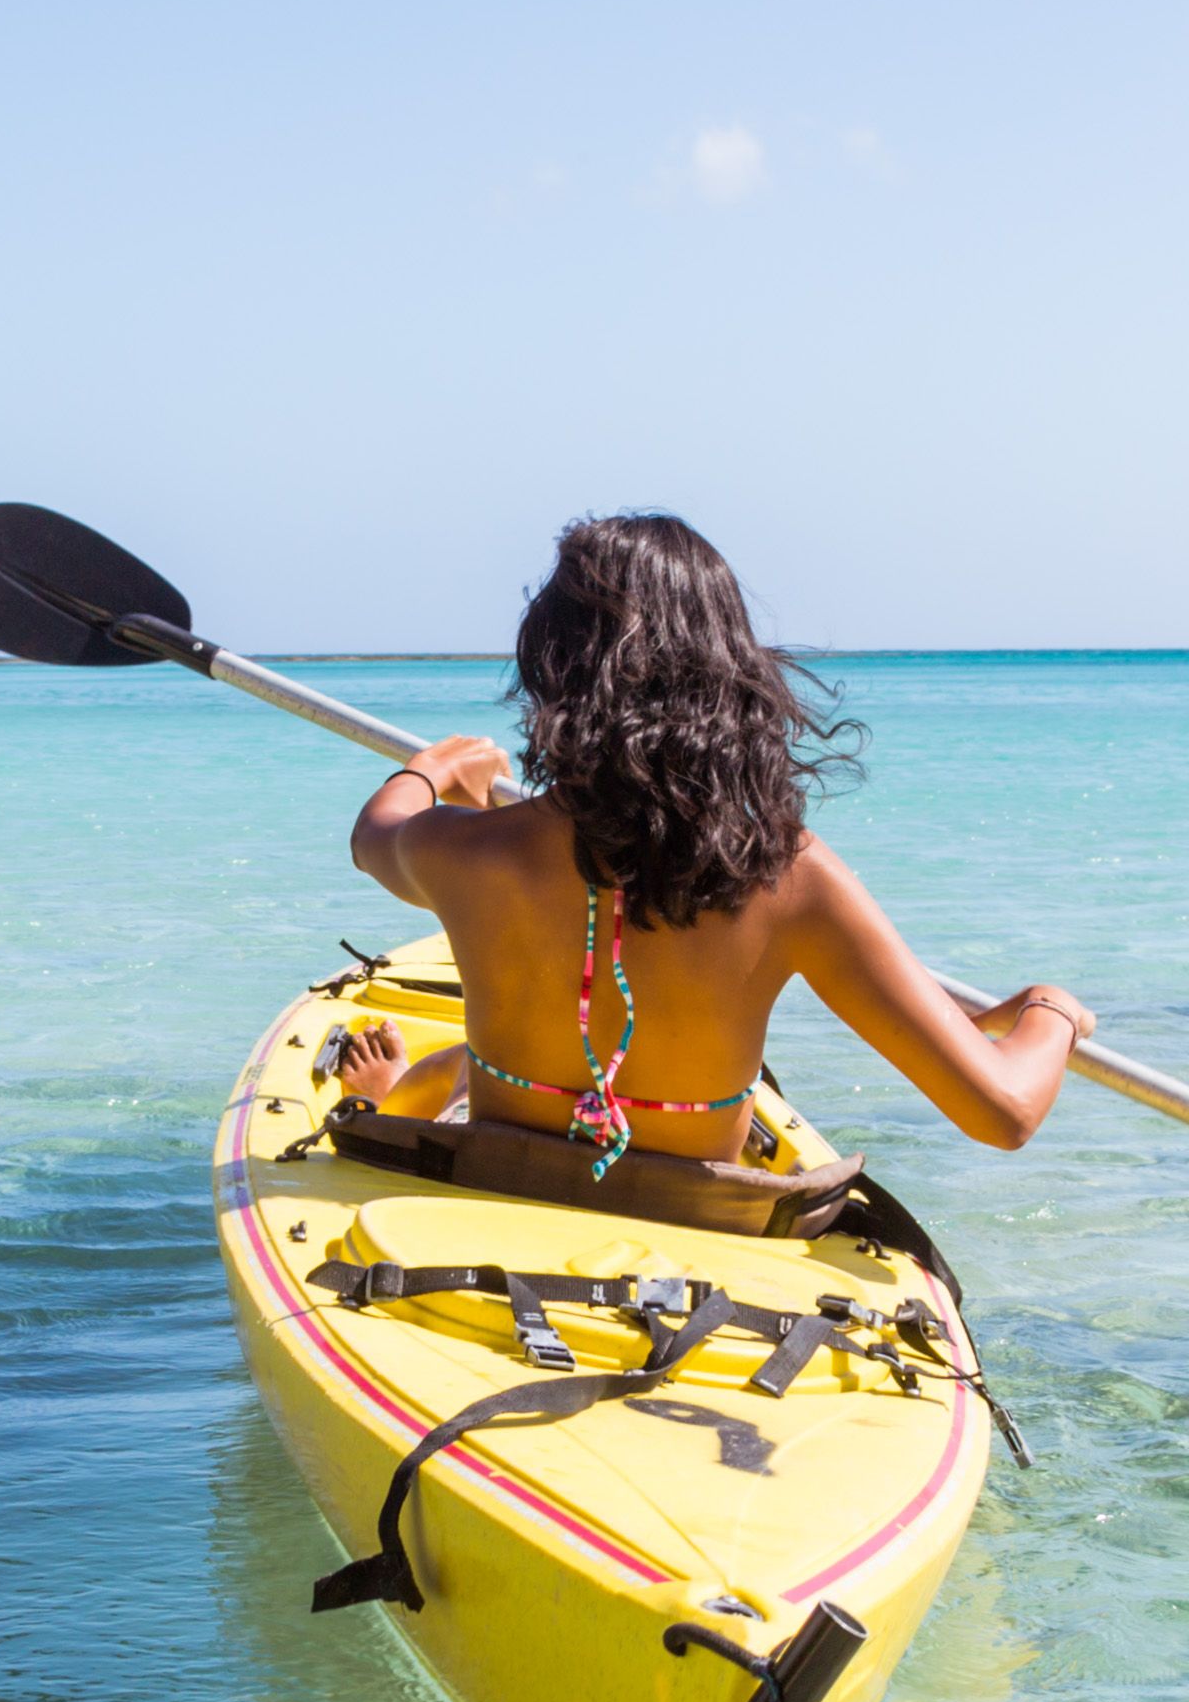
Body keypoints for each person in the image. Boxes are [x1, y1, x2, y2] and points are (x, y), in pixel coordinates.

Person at [333, 513, 1092, 1228]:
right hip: (690, 1217)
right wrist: (1052, 1012)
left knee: (467, 1066)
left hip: (500, 1175)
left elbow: (374, 836)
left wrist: (427, 771)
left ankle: (382, 1099)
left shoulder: (472, 851)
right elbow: (1005, 1110)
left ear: (550, 674)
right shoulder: (793, 878)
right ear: (734, 678)